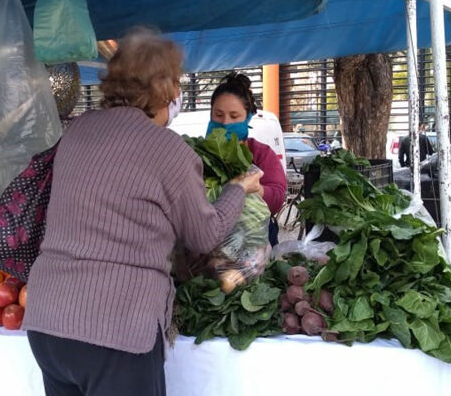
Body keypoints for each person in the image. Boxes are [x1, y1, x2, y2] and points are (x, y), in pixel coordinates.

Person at [23, 29, 262, 396]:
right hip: (114, 328)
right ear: (166, 90)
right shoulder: (169, 151)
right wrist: (236, 189)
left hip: (49, 322)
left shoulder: (77, 131)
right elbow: (205, 234)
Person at [207, 73, 287, 217]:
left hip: (252, 237)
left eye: (234, 116)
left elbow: (277, 199)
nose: (225, 123)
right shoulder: (198, 153)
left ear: (248, 117)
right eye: (218, 115)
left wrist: (256, 189)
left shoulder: (261, 154)